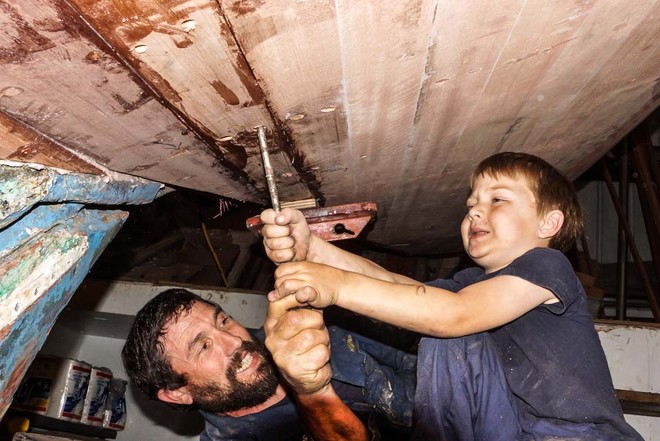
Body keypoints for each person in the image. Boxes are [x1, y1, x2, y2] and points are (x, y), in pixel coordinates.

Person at [260, 151, 643, 440]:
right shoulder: (471, 283)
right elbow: (401, 288)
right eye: (471, 205)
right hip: (516, 431)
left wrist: (337, 285)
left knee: (447, 331)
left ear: (549, 222)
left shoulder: (547, 265)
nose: (475, 212)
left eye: (497, 200)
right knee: (434, 321)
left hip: (584, 436)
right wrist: (313, 248)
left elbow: (453, 315)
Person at [121, 288, 416, 441]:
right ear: (178, 392)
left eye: (222, 320)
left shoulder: (298, 328)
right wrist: (312, 392)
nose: (233, 340)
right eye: (203, 347)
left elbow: (409, 361)